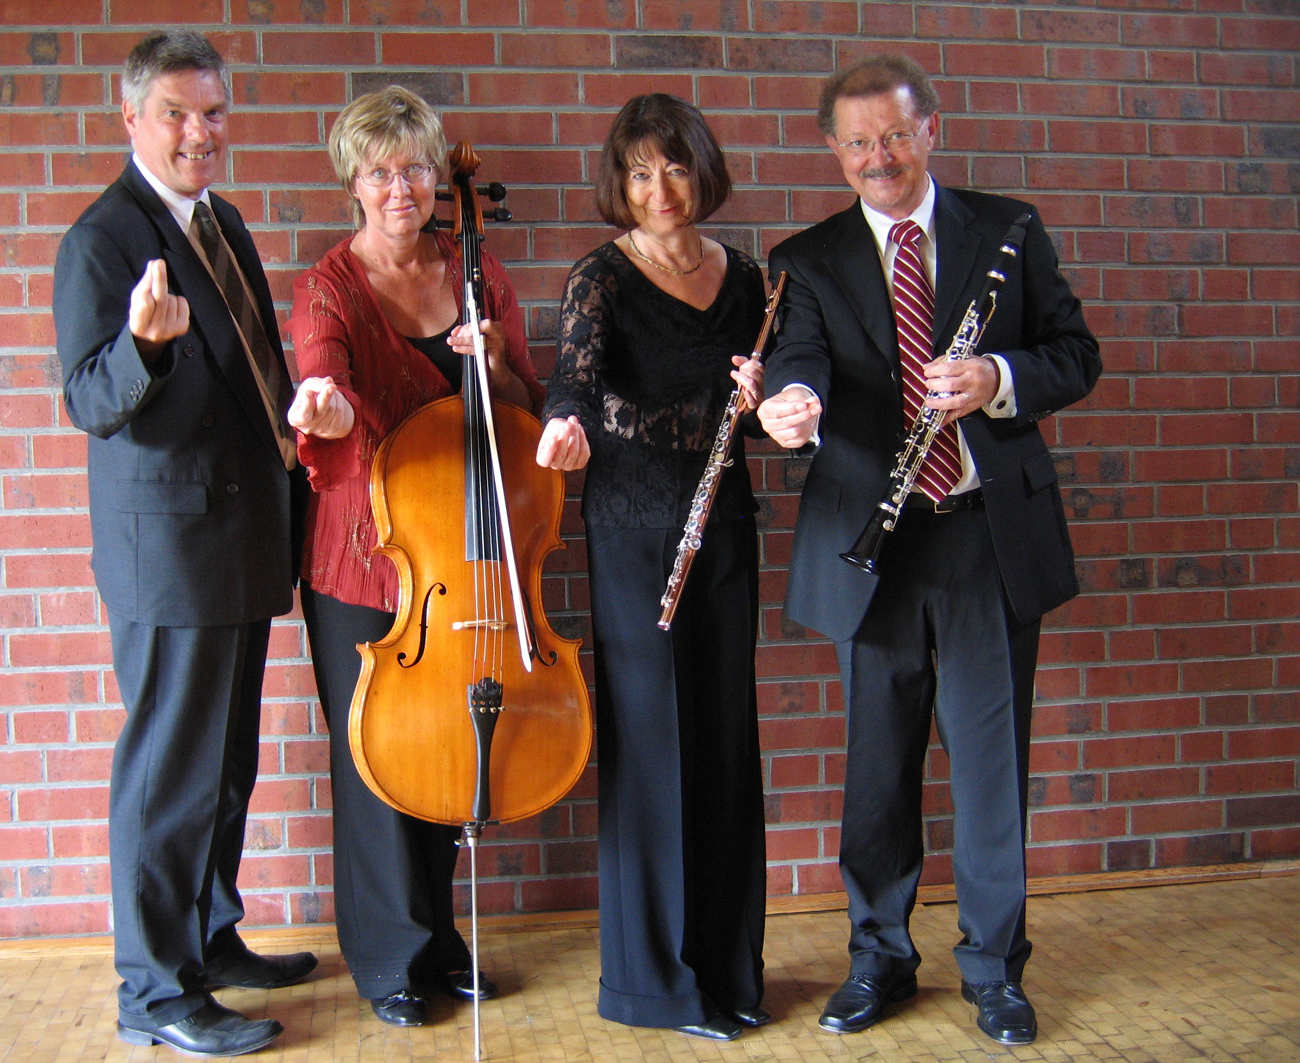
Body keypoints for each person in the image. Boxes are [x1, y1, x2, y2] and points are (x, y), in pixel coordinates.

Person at [757, 54, 1102, 1046]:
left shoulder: (1008, 230)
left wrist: (997, 375)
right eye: (858, 142)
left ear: (932, 130)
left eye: (896, 135)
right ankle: (879, 959)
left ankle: (994, 970)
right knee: (877, 767)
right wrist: (793, 403)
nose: (880, 157)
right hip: (870, 547)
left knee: (991, 767)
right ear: (832, 150)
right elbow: (798, 362)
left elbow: (1075, 353)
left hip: (983, 533)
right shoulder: (804, 257)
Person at [53, 30, 316, 1058]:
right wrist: (142, 348)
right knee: (170, 775)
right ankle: (155, 992)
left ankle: (208, 935)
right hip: (170, 555)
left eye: (213, 112)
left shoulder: (222, 220)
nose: (199, 132)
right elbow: (88, 398)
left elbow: (252, 370)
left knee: (225, 763)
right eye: (175, 113)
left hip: (241, 534)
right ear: (131, 118)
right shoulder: (102, 237)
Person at [284, 86, 543, 1028]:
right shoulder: (328, 286)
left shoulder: (479, 273)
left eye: (417, 168)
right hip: (364, 557)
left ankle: (439, 940)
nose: (402, 188)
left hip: (463, 561)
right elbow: (324, 375)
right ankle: (387, 955)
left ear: (440, 177)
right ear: (352, 182)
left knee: (445, 745)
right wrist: (324, 409)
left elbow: (526, 405)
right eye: (381, 172)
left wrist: (495, 361)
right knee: (374, 756)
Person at [536, 93, 769, 1043]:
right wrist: (563, 424)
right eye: (638, 172)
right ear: (619, 184)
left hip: (724, 523)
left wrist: (771, 396)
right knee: (653, 742)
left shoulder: (746, 277)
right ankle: (655, 983)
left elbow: (771, 403)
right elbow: (574, 379)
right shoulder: (600, 275)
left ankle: (730, 968)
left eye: (673, 166)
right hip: (635, 529)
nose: (659, 188)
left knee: (723, 735)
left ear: (700, 169)